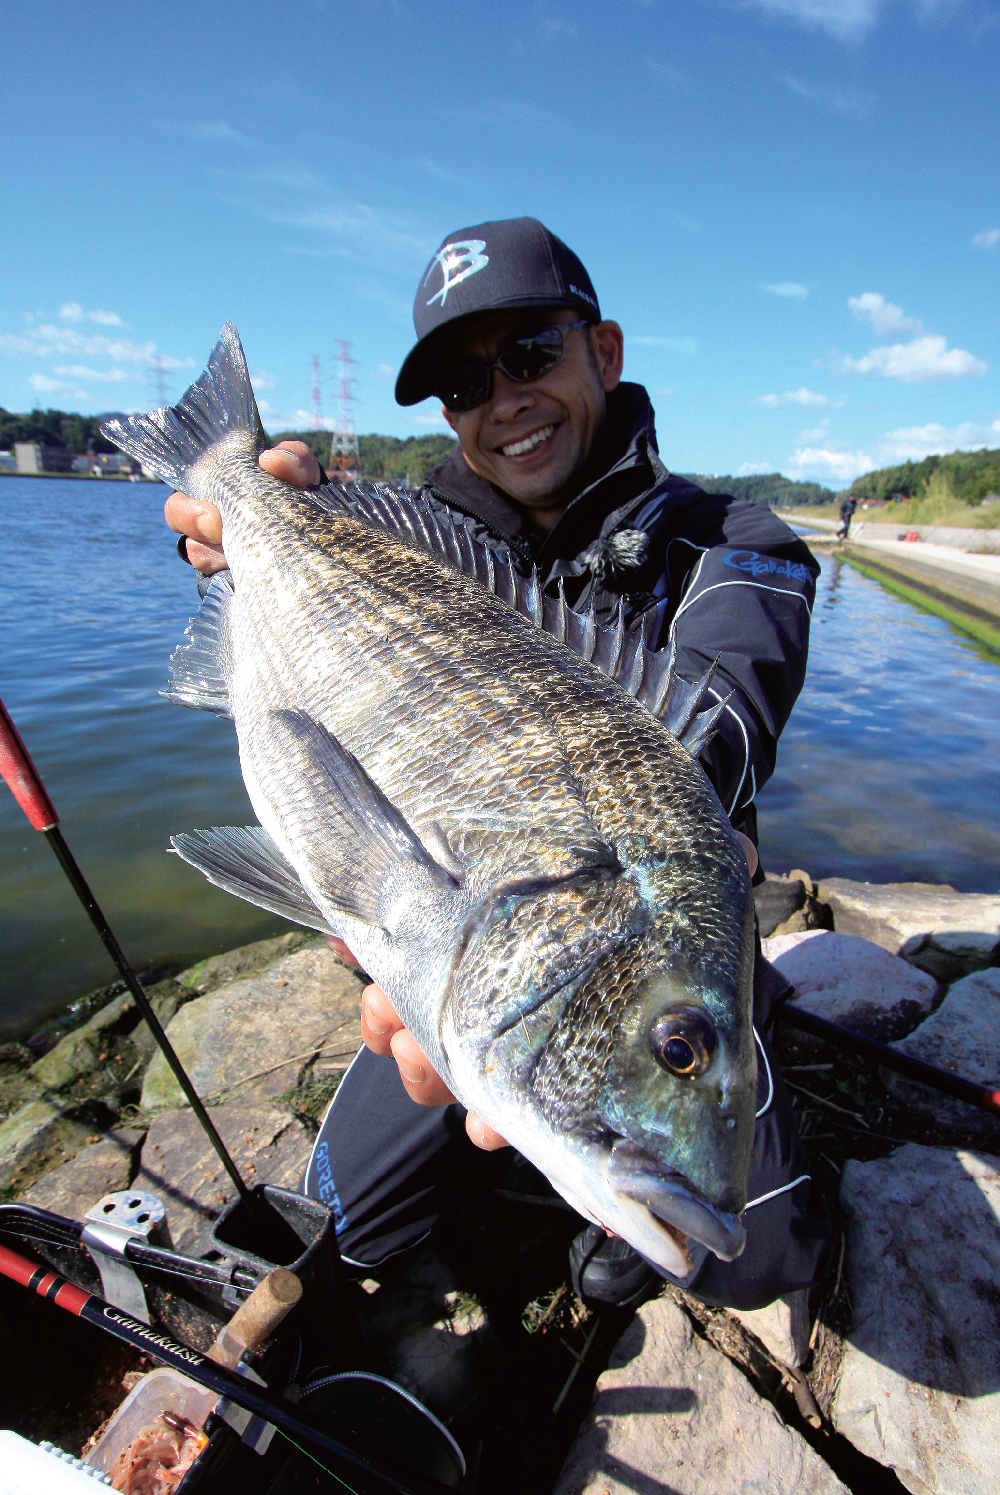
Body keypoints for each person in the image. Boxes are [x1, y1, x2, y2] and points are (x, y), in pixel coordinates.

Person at [166, 217, 830, 1311]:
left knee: (752, 1255)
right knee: (349, 1220)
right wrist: (225, 535)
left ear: (602, 352)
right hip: (466, 948)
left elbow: (718, 728)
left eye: (529, 356)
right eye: (466, 386)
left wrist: (656, 839)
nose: (502, 401)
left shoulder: (738, 543)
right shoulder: (398, 529)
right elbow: (315, 738)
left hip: (669, 945)